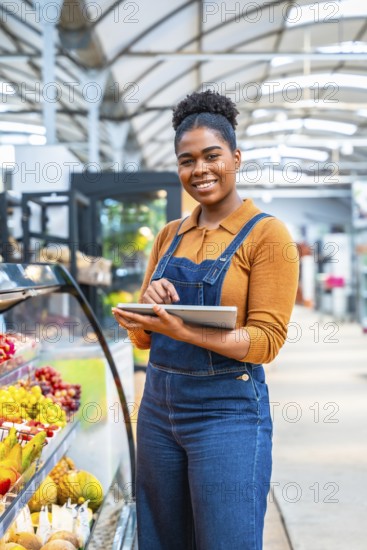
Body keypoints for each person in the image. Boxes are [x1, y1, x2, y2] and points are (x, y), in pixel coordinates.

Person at [112, 90, 299, 550]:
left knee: (226, 540)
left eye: (212, 156)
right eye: (187, 160)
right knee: (161, 538)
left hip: (227, 410)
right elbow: (144, 339)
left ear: (235, 157)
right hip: (158, 407)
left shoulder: (268, 235)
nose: (200, 170)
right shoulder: (169, 235)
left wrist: (184, 329)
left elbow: (266, 341)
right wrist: (142, 314)